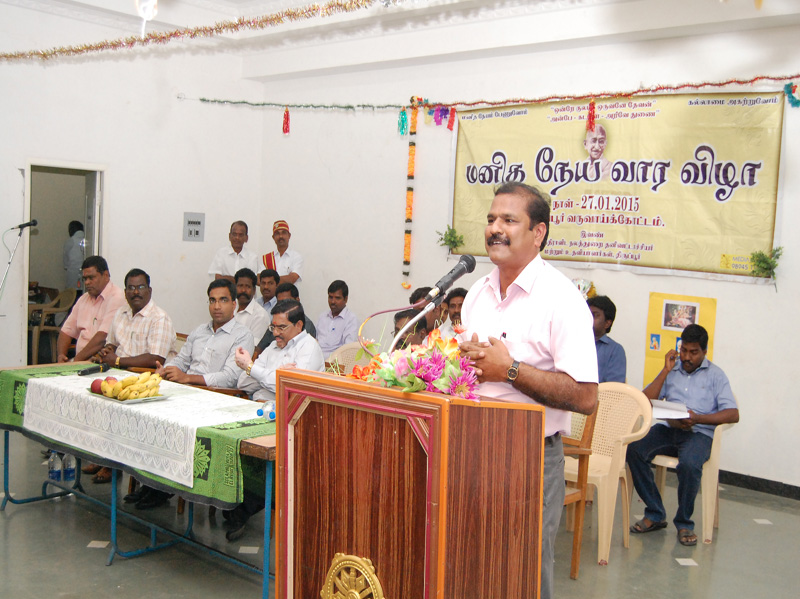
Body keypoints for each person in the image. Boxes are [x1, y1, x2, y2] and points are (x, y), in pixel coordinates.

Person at [458, 182, 598, 599]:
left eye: (508, 220)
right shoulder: (477, 294)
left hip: (529, 457)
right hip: (468, 447)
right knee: (470, 562)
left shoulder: (562, 299)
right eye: (490, 219)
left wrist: (511, 371)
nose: (495, 229)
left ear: (538, 233)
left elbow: (585, 397)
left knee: (523, 573)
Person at [627, 324, 739, 547]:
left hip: (699, 433)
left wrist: (698, 418)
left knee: (689, 464)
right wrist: (665, 370)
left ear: (704, 351)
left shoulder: (716, 375)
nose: (687, 357)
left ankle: (684, 522)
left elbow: (733, 414)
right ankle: (655, 513)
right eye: (684, 350)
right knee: (634, 449)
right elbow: (644, 400)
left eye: (693, 352)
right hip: (670, 429)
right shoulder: (673, 369)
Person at [228, 299, 324, 541]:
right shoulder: (273, 347)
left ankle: (242, 508)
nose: (276, 333)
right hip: (258, 410)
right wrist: (272, 374)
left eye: (282, 327)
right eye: (273, 327)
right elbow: (244, 382)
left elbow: (288, 387)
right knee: (229, 445)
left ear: (299, 325)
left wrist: (257, 370)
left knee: (259, 459)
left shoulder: (309, 348)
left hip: (291, 420)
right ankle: (234, 503)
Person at [156, 279, 253, 389]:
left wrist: (187, 378)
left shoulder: (242, 335)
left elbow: (230, 378)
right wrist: (166, 370)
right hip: (184, 388)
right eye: (212, 301)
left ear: (234, 304)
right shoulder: (200, 331)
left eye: (223, 300)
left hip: (215, 393)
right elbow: (181, 360)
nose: (216, 306)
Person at [96, 268, 177, 369]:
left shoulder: (160, 318)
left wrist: (117, 361)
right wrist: (107, 352)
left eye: (141, 287)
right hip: (117, 370)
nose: (136, 292)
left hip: (145, 375)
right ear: (125, 292)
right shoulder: (120, 313)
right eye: (131, 288)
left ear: (149, 291)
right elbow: (112, 344)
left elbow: (156, 359)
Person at [57, 255, 125, 363]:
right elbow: (66, 331)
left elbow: (102, 338)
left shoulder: (117, 297)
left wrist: (75, 362)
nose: (87, 282)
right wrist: (61, 355)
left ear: (106, 275)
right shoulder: (83, 299)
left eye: (91, 278)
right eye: (85, 279)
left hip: (102, 362)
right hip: (80, 362)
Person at [253, 283, 316, 358]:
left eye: (287, 302)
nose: (283, 306)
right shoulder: (275, 323)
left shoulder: (306, 324)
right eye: (280, 302)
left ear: (297, 300)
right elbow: (260, 348)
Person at [587, 295, 626, 383]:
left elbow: (614, 388)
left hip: (599, 392)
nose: (589, 319)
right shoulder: (573, 343)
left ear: (607, 323)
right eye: (587, 314)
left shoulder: (615, 350)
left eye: (594, 315)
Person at [316, 280, 358, 359]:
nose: (333, 302)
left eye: (337, 298)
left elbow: (347, 351)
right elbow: (315, 342)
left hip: (335, 362)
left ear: (345, 299)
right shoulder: (322, 317)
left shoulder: (351, 319)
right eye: (330, 297)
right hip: (316, 360)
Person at [233, 268, 270, 344]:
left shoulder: (260, 315)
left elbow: (253, 347)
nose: (243, 290)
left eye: (247, 286)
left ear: (254, 290)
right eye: (240, 286)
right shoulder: (230, 308)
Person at [261, 220, 303, 286]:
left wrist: (269, 281)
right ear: (273, 237)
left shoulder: (296, 257)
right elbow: (259, 279)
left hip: (289, 293)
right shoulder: (266, 258)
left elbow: (292, 279)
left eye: (284, 233)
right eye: (277, 233)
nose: (281, 236)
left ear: (289, 236)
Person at [62, 220, 85, 291]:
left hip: (73, 272)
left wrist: (67, 266)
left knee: (72, 293)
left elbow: (65, 258)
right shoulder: (88, 239)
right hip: (85, 271)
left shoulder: (71, 241)